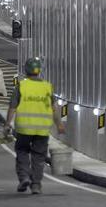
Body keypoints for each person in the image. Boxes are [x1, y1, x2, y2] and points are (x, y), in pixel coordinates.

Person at [4, 57, 65, 195]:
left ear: (26, 70)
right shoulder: (47, 86)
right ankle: (36, 184)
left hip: (24, 128)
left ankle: (24, 177)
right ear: (39, 71)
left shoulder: (22, 86)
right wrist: (59, 124)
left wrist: (7, 124)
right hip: (42, 130)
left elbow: (12, 107)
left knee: (22, 152)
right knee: (39, 157)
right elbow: (54, 108)